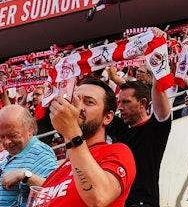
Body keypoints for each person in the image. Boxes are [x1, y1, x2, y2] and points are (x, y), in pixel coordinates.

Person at [39, 78, 136, 207]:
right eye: (75, 100)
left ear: (107, 117)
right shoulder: (61, 169)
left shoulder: (118, 152)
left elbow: (99, 197)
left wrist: (71, 132)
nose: (78, 107)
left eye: (89, 102)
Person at [105, 75, 172, 207]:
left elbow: (159, 91)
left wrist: (156, 63)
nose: (120, 107)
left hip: (143, 202)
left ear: (142, 103)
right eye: (119, 102)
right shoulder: (120, 128)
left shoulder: (156, 128)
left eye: (126, 102)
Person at [0, 104, 58, 207]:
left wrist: (25, 176)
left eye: (12, 135)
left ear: (30, 129)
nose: (6, 142)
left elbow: (55, 191)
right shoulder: (15, 154)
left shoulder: (40, 152)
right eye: (2, 136)